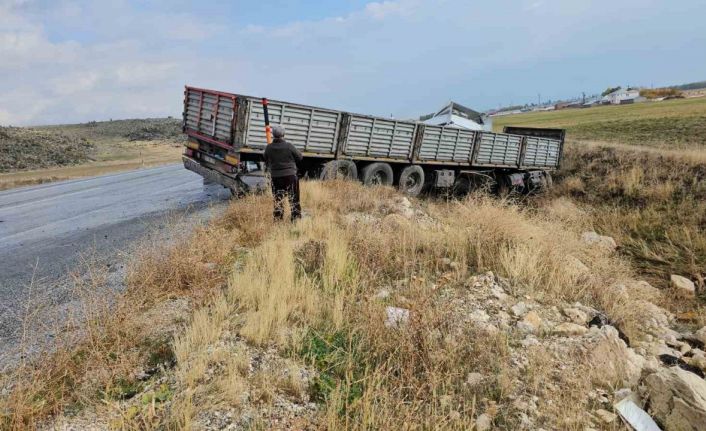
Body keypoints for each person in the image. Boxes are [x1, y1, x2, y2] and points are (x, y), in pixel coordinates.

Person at [264, 125, 303, 221]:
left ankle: (278, 219)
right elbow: (300, 157)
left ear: (273, 135)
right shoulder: (289, 146)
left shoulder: (269, 147)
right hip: (290, 177)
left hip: (275, 177)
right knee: (294, 199)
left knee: (278, 199)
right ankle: (296, 219)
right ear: (283, 134)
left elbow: (265, 159)